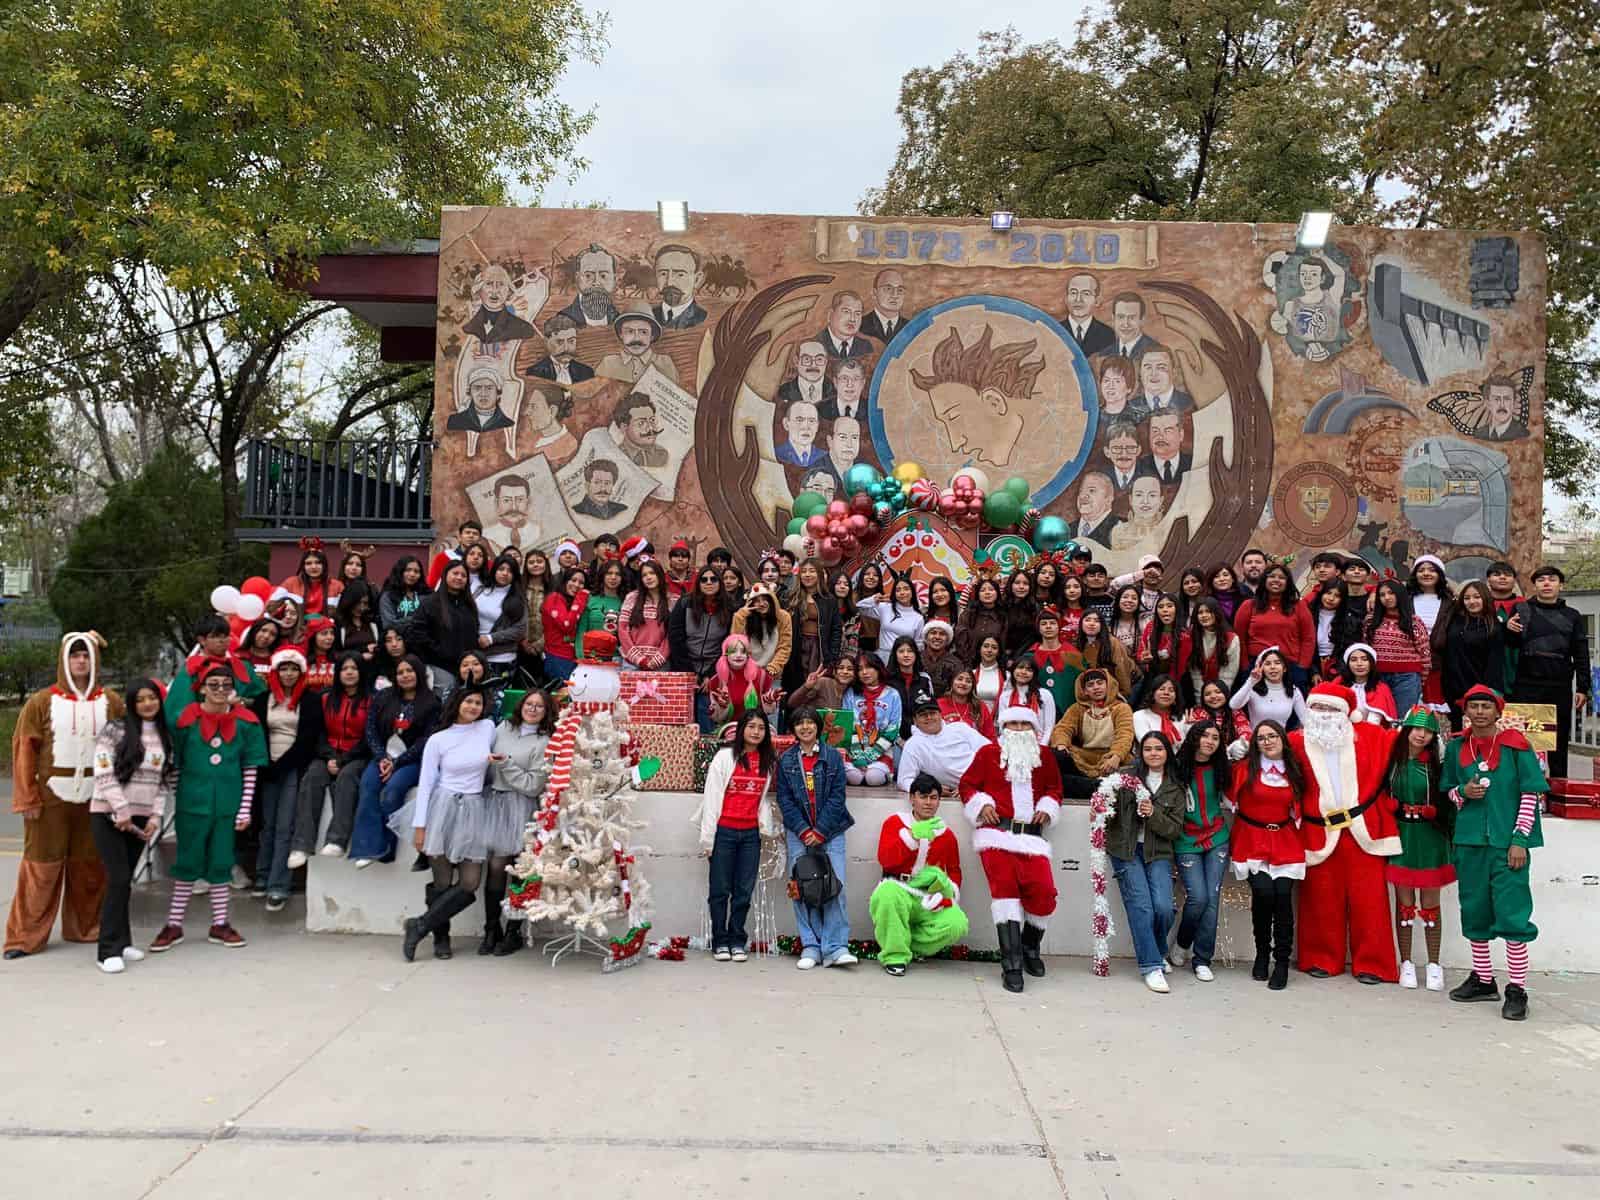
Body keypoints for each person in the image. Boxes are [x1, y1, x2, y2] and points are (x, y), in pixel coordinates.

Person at [5, 632, 122, 960]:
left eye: (86, 655)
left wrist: (119, 797)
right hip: (50, 798)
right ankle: (24, 938)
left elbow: (124, 747)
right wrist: (27, 798)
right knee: (41, 867)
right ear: (64, 660)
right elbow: (24, 750)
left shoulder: (111, 701)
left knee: (90, 865)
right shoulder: (41, 702)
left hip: (96, 795)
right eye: (75, 655)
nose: (81, 661)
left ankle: (86, 927)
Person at [148, 662, 268, 952]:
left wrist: (245, 807)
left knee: (221, 861)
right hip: (192, 805)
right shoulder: (185, 720)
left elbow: (250, 767)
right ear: (201, 688)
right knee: (187, 861)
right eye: (213, 685)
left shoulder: (247, 722)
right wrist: (180, 796)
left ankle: (220, 923)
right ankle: (174, 924)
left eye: (226, 685)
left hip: (227, 804)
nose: (220, 690)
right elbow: (175, 763)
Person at [1444, 685, 1547, 1021]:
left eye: (1486, 706)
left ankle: (1516, 988)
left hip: (1507, 845)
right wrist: (1463, 792)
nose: (1479, 712)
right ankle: (1483, 978)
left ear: (1498, 712)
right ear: (1466, 711)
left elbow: (1530, 794)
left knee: (1513, 915)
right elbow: (1448, 792)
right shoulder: (1456, 747)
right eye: (1473, 706)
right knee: (1474, 910)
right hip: (1470, 843)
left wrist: (1520, 839)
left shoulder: (1517, 746)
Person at [1288, 682, 1402, 983]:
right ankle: (1321, 957)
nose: (1323, 713)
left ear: (1345, 712)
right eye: (1317, 707)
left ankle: (1374, 964)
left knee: (1370, 901)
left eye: (1330, 708)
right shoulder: (1294, 742)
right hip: (1318, 829)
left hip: (1363, 829)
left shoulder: (1371, 735)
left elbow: (1407, 744)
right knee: (1320, 900)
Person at [958, 707, 1066, 993]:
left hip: (1032, 838)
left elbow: (1055, 789)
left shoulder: (1045, 757)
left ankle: (1030, 948)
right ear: (1003, 727)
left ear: (1034, 729)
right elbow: (967, 785)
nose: (1018, 729)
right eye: (1013, 724)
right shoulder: (987, 754)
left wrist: (1047, 807)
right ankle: (1012, 964)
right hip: (996, 836)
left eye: (1024, 724)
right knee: (1005, 896)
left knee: (1044, 894)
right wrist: (982, 804)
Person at [399, 686, 498, 961]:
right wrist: (420, 827)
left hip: (474, 808)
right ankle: (441, 939)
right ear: (456, 704)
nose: (473, 706)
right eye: (468, 701)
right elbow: (426, 784)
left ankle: (419, 925)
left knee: (469, 882)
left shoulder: (487, 728)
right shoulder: (438, 740)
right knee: (442, 881)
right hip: (443, 807)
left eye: (478, 702)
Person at [88, 679, 171, 974]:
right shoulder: (115, 729)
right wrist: (120, 809)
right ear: (131, 704)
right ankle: (106, 951)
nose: (148, 704)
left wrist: (155, 818)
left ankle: (123, 943)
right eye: (140, 699)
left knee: (125, 882)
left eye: (152, 698)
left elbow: (163, 782)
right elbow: (102, 770)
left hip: (140, 819)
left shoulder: (164, 734)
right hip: (108, 814)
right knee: (119, 878)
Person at [1103, 731, 1187, 993]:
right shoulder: (1125, 777)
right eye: (1148, 749)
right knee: (1141, 907)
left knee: (1163, 908)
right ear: (1140, 752)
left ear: (1167, 753)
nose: (1153, 753)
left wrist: (1153, 813)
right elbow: (1109, 811)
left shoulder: (1175, 786)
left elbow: (1174, 829)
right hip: (1126, 851)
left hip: (1158, 852)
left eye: (1159, 749)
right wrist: (1101, 808)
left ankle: (1158, 949)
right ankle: (1151, 966)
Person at [775, 705, 855, 969]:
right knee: (801, 888)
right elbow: (785, 800)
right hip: (798, 833)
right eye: (800, 723)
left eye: (810, 722)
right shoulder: (786, 760)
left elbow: (837, 797)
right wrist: (803, 830)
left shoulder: (833, 757)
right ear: (793, 729)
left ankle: (836, 947)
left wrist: (820, 831)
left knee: (835, 885)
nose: (805, 727)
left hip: (831, 831)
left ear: (818, 726)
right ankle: (811, 946)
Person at [698, 711, 779, 962]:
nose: (756, 732)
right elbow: (712, 798)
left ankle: (737, 940)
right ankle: (719, 941)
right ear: (742, 729)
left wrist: (765, 825)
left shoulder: (766, 761)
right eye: (751, 726)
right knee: (720, 890)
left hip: (750, 835)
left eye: (761, 728)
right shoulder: (724, 757)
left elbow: (762, 799)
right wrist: (708, 839)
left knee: (744, 890)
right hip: (724, 832)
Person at [870, 771, 969, 978]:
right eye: (923, 797)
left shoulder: (946, 834)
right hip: (899, 889)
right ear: (912, 798)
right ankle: (895, 956)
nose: (928, 803)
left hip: (927, 898)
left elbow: (954, 870)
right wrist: (911, 837)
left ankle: (908, 944)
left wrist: (947, 889)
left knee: (957, 923)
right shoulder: (894, 823)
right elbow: (885, 860)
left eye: (934, 798)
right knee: (886, 893)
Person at [1384, 705, 1455, 992]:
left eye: (1427, 731)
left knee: (1430, 902)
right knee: (1404, 902)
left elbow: (1450, 801)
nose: (1421, 735)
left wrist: (1437, 811)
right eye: (1416, 728)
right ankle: (1407, 963)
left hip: (1430, 836)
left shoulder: (1438, 766)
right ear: (1406, 730)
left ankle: (1434, 964)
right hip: (1402, 835)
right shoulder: (1391, 761)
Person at [1229, 720, 1305, 989]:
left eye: (1272, 736)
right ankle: (1262, 952)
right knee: (1263, 894)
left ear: (1282, 739)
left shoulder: (1295, 771)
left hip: (1285, 840)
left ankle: (1281, 962)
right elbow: (1224, 788)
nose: (1267, 741)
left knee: (1282, 898)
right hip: (1251, 841)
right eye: (1261, 738)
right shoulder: (1244, 769)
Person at [347, 655, 440, 868]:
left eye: (409, 671)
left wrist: (397, 763)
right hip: (383, 756)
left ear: (419, 673)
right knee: (368, 785)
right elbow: (370, 729)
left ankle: (386, 848)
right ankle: (367, 848)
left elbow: (427, 739)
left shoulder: (432, 702)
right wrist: (382, 757)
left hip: (412, 760)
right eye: (400, 672)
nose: (405, 676)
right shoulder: (383, 697)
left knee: (392, 791)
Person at [248, 648, 323, 911]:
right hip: (266, 767)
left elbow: (307, 739)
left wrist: (283, 765)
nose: (289, 673)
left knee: (285, 826)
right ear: (275, 672)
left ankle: (279, 884)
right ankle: (262, 874)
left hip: (293, 767)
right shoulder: (263, 699)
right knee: (267, 824)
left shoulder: (310, 700)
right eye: (284, 668)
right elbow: (256, 733)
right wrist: (266, 764)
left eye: (293, 669)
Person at [481, 689, 554, 956]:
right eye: (529, 704)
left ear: (546, 712)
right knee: (496, 866)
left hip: (522, 807)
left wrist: (507, 765)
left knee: (520, 869)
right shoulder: (503, 728)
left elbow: (533, 785)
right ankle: (491, 929)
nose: (532, 709)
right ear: (521, 705)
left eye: (539, 706)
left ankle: (513, 932)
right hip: (495, 802)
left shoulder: (545, 742)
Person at [1505, 565, 1590, 781]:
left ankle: (1558, 788)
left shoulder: (1573, 616)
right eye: (1541, 580)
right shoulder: (1521, 609)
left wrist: (1583, 687)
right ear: (1535, 585)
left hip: (1559, 686)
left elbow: (1581, 653)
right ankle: (1525, 789)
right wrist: (1508, 630)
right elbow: (1510, 645)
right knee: (1525, 740)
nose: (1546, 583)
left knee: (1558, 741)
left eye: (1552, 579)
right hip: (1526, 685)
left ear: (1561, 585)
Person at [294, 653, 371, 863]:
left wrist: (343, 759)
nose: (349, 673)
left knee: (347, 777)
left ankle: (337, 841)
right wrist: (329, 756)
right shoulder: (325, 698)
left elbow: (369, 737)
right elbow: (317, 733)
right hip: (328, 753)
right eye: (344, 668)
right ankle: (302, 845)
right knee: (312, 777)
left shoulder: (372, 700)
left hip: (357, 755)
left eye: (354, 668)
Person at [1171, 722, 1232, 981]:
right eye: (1204, 735)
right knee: (1198, 897)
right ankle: (1183, 942)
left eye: (1215, 737)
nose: (1209, 741)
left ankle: (1202, 959)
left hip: (1217, 838)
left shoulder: (1222, 767)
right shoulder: (1176, 767)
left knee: (1212, 899)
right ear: (1194, 738)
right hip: (1186, 841)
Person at [669, 567, 734, 731]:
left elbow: (728, 644)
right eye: (704, 579)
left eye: (713, 579)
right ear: (698, 583)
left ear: (720, 583)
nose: (709, 583)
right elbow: (676, 639)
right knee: (682, 717)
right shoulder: (685, 603)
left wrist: (711, 675)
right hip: (684, 666)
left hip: (713, 668)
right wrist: (691, 673)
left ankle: (707, 746)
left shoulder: (729, 607)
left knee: (707, 712)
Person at [1434, 580, 1506, 729]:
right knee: (1456, 732)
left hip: (1478, 689)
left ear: (1485, 598)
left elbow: (1494, 664)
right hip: (1452, 687)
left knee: (1477, 731)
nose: (1471, 601)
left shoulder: (1493, 627)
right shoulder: (1454, 619)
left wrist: (1485, 692)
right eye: (1467, 598)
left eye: (1477, 597)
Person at [165, 615, 263, 721]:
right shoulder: (191, 669)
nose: (222, 640)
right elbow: (178, 712)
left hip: (243, 726)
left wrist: (243, 702)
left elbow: (263, 700)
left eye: (226, 636)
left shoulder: (243, 667)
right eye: (216, 636)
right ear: (202, 640)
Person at [1233, 564, 1313, 682]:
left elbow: (1308, 639)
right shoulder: (1249, 605)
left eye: (1281, 577)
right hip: (1256, 667)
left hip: (1291, 667)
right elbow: (1240, 639)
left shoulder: (1299, 606)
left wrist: (1302, 667)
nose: (1276, 580)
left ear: (1288, 582)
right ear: (1264, 580)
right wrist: (1245, 667)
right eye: (1272, 576)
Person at [410, 561, 480, 696]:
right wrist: (439, 651)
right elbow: (418, 633)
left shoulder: (469, 605)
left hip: (465, 667)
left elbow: (474, 633)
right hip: (439, 666)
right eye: (455, 573)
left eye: (463, 575)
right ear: (445, 575)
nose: (459, 577)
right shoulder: (430, 603)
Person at [1364, 579, 1431, 717]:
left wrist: (1420, 682)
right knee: (1377, 719)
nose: (1387, 597)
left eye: (1391, 593)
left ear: (1400, 594)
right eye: (1382, 595)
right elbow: (1366, 650)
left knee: (1402, 720)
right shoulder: (1371, 620)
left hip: (1407, 679)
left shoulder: (1414, 622)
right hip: (1378, 677)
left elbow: (1425, 655)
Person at [895, 700, 990, 794]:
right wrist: (930, 788)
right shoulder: (913, 745)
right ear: (915, 720)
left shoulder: (960, 728)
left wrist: (972, 784)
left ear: (940, 715)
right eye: (923, 715)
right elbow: (903, 780)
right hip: (965, 791)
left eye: (932, 713)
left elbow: (990, 751)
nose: (929, 717)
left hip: (987, 777)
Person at [843, 654, 901, 786]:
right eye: (860, 669)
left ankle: (884, 772)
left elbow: (893, 729)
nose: (864, 672)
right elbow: (848, 726)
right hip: (854, 751)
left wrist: (870, 755)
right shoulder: (851, 693)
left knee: (873, 778)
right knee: (854, 778)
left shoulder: (893, 694)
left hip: (881, 751)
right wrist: (858, 756)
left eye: (869, 667)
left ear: (878, 668)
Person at [706, 634, 781, 730]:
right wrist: (721, 706)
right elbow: (716, 718)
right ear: (725, 654)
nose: (738, 655)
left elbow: (769, 711)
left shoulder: (762, 676)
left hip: (756, 730)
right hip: (730, 729)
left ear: (748, 654)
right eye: (733, 651)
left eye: (743, 651)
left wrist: (769, 701)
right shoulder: (716, 681)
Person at [1230, 647, 1310, 731]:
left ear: (1284, 668)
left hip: (1280, 737)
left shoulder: (1294, 691)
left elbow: (1306, 720)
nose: (1272, 667)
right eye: (1267, 664)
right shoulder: (1253, 688)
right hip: (1256, 737)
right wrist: (1251, 681)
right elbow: (1234, 705)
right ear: (1262, 669)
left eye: (1277, 663)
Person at [1178, 597, 1240, 705]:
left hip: (1222, 695)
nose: (1204, 615)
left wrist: (1218, 699)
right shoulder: (1190, 637)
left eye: (1208, 611)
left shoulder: (1231, 639)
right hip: (1196, 694)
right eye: (1200, 612)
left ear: (1217, 613)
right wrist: (1200, 702)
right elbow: (1195, 674)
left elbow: (1228, 676)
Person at [856, 570, 926, 664]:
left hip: (904, 659)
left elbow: (919, 644)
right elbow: (860, 607)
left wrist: (908, 656)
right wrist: (874, 599)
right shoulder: (885, 608)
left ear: (912, 592)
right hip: (883, 657)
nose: (902, 592)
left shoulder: (918, 617)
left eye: (906, 589)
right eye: (898, 590)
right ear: (894, 593)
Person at [1026, 605, 1083, 718]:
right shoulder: (1029, 656)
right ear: (1038, 628)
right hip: (1037, 714)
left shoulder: (1073, 655)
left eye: (1052, 623)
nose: (1048, 626)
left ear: (1059, 626)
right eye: (1044, 624)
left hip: (1068, 715)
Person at [619, 559, 673, 670]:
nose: (648, 577)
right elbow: (622, 629)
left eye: (652, 573)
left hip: (660, 663)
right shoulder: (632, 598)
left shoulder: (672, 600)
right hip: (632, 663)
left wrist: (658, 659)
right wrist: (639, 659)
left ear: (660, 575)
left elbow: (672, 634)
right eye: (644, 575)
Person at [731, 582, 793, 679]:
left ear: (772, 600)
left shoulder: (783, 617)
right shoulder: (745, 617)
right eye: (757, 601)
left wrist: (774, 666)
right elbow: (734, 643)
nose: (761, 604)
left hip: (771, 673)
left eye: (765, 599)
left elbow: (785, 647)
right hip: (747, 672)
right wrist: (740, 617)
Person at [541, 567, 589, 683]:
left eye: (581, 583)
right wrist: (581, 598)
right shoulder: (554, 598)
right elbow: (567, 625)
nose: (577, 585)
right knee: (564, 692)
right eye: (573, 580)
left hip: (571, 657)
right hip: (557, 657)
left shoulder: (570, 601)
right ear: (565, 581)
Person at [996, 657, 1056, 746]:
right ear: (1013, 670)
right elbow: (1002, 726)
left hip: (1037, 745)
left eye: (1029, 670)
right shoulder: (1005, 696)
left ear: (1034, 674)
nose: (1023, 672)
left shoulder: (1045, 695)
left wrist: (1042, 747)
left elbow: (1049, 727)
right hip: (1010, 745)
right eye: (1020, 667)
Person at [1076, 608, 1135, 698]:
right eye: (1087, 620)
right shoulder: (1079, 643)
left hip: (1131, 681)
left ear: (1102, 625)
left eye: (1096, 621)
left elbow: (1121, 669)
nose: (1092, 624)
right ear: (1081, 624)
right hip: (1101, 685)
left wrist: (1122, 693)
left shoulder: (1112, 642)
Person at [884, 636, 935, 739]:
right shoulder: (887, 681)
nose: (906, 655)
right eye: (901, 651)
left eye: (910, 651)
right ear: (895, 655)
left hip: (922, 736)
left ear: (916, 654)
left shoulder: (925, 679)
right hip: (893, 737)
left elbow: (932, 709)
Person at [651, 243, 708, 328]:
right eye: (663, 274)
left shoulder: (701, 317)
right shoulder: (649, 315)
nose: (669, 283)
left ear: (697, 280)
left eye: (680, 274)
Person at [527, 313, 596, 384]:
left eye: (571, 341)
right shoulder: (535, 373)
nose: (566, 348)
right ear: (546, 342)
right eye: (560, 342)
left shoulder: (586, 372)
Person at [1339, 642, 1397, 724]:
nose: (1359, 664)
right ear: (1348, 664)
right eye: (1353, 660)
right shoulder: (1339, 685)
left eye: (1364, 659)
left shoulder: (1381, 689)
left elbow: (1374, 723)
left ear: (1371, 663)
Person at [940, 669, 997, 741]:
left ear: (972, 686)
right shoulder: (939, 705)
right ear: (951, 682)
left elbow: (990, 737)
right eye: (960, 679)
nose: (964, 683)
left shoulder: (980, 706)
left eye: (968, 681)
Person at [379, 555, 427, 632]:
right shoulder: (388, 596)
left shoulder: (426, 595)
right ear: (400, 572)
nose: (412, 574)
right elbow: (389, 624)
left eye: (416, 571)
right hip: (398, 638)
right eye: (408, 570)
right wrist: (417, 619)